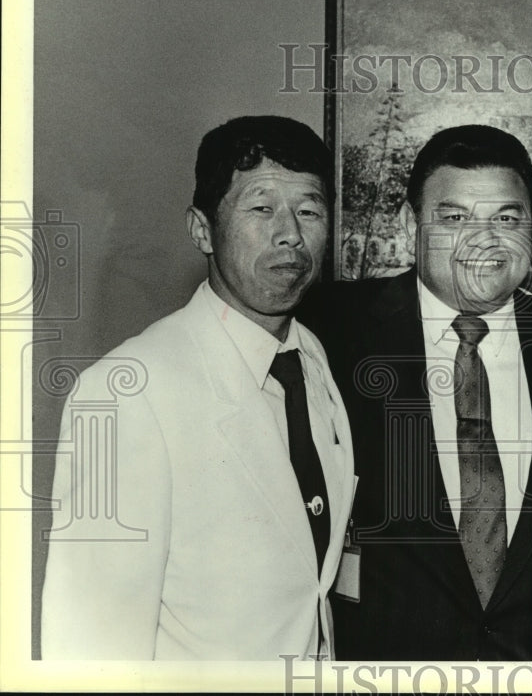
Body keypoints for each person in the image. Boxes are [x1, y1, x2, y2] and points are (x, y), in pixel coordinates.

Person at [41, 116, 354, 660]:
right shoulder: (121, 396)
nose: (291, 234)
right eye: (261, 208)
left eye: (310, 210)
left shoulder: (312, 357)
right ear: (202, 229)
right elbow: (88, 651)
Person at [302, 125, 532, 660]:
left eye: (506, 219)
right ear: (408, 223)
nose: (483, 241)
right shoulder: (332, 331)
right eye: (454, 218)